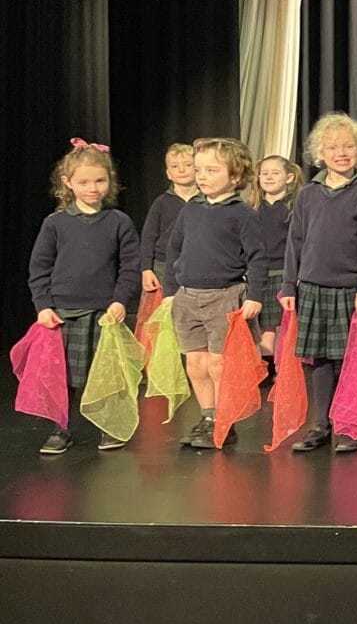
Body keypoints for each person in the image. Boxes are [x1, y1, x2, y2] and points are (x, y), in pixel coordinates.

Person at [280, 113, 357, 454]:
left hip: (350, 290)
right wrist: (288, 286)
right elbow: (295, 241)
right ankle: (321, 424)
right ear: (320, 154)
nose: (341, 152)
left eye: (348, 146)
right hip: (312, 287)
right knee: (319, 360)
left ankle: (349, 425)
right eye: (333, 147)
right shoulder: (309, 195)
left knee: (349, 362)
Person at [27, 141, 140, 454]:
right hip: (62, 313)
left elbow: (130, 268)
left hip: (103, 314)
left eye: (100, 181)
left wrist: (120, 301)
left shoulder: (119, 222)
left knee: (103, 374)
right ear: (68, 183)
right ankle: (60, 428)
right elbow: (39, 268)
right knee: (61, 377)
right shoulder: (56, 224)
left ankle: (107, 426)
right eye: (84, 182)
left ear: (110, 180)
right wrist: (43, 306)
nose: (93, 188)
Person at [164, 137, 268, 449]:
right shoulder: (191, 209)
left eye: (211, 170)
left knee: (218, 363)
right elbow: (174, 249)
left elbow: (258, 257)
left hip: (224, 296)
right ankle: (207, 416)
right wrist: (170, 290)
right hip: (187, 297)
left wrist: (255, 296)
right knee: (195, 364)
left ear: (235, 177)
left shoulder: (242, 213)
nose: (202, 176)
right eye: (199, 170)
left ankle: (225, 418)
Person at [252, 154, 301, 366]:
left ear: (289, 177)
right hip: (260, 274)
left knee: (288, 323)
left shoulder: (294, 207)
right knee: (265, 324)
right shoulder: (252, 208)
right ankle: (268, 366)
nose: (268, 177)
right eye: (264, 173)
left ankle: (287, 367)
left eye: (275, 173)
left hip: (286, 273)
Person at [138, 142, 198, 294]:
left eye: (188, 164)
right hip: (163, 266)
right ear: (168, 173)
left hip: (197, 264)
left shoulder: (207, 201)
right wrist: (146, 269)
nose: (182, 170)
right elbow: (148, 237)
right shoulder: (161, 203)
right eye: (175, 166)